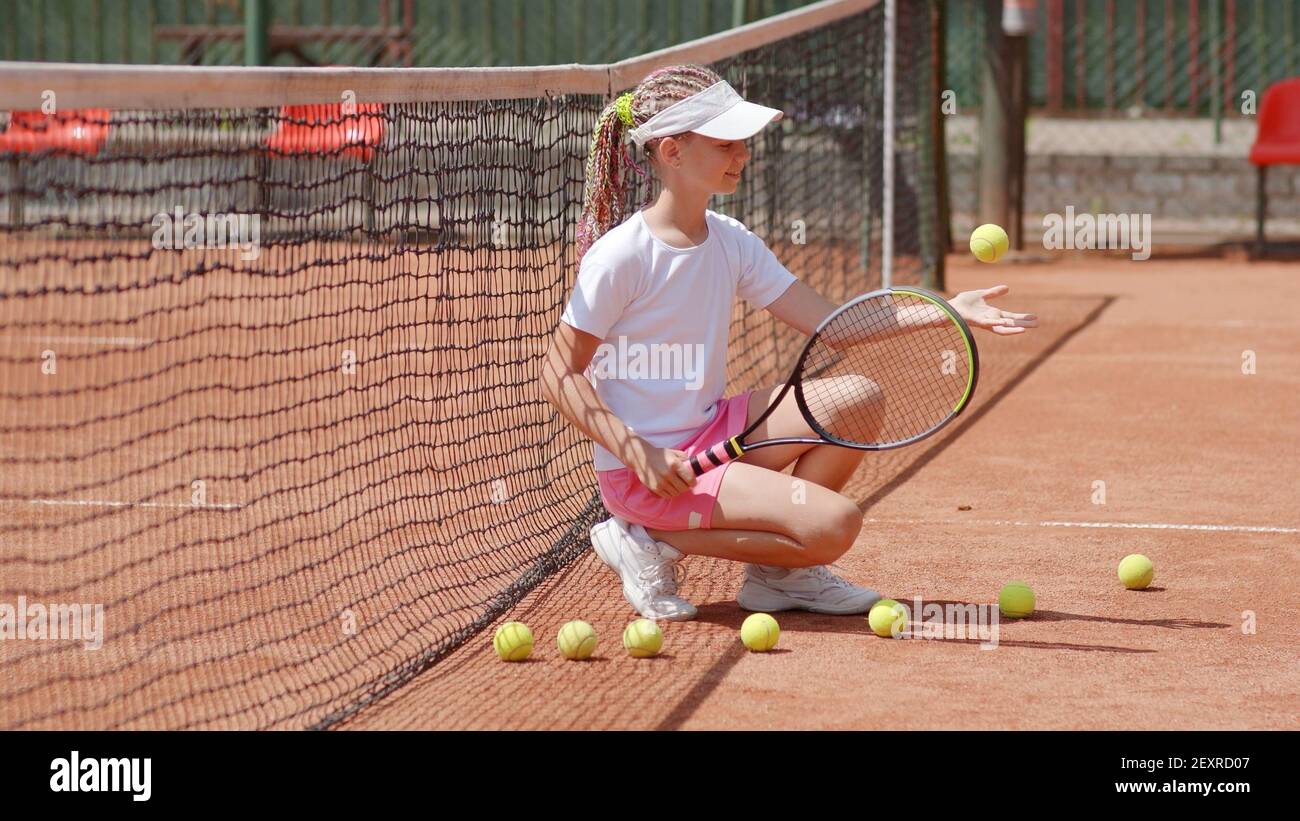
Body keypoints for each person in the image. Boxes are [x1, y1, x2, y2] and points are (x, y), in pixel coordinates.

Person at [539, 64, 1038, 621]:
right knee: (834, 525)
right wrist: (640, 452)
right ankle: (651, 541)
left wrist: (948, 310)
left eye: (743, 143)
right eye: (726, 143)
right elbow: (559, 372)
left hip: (711, 430)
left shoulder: (730, 241)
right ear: (672, 153)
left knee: (859, 397)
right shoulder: (622, 256)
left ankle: (781, 578)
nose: (742, 155)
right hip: (644, 470)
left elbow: (836, 324)